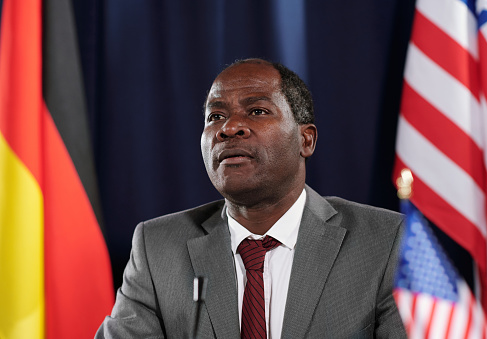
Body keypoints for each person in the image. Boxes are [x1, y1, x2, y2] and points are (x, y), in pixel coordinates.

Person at [96, 58, 406, 338]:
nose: (229, 128)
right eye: (215, 116)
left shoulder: (385, 242)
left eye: (257, 111)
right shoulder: (157, 247)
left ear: (305, 139)